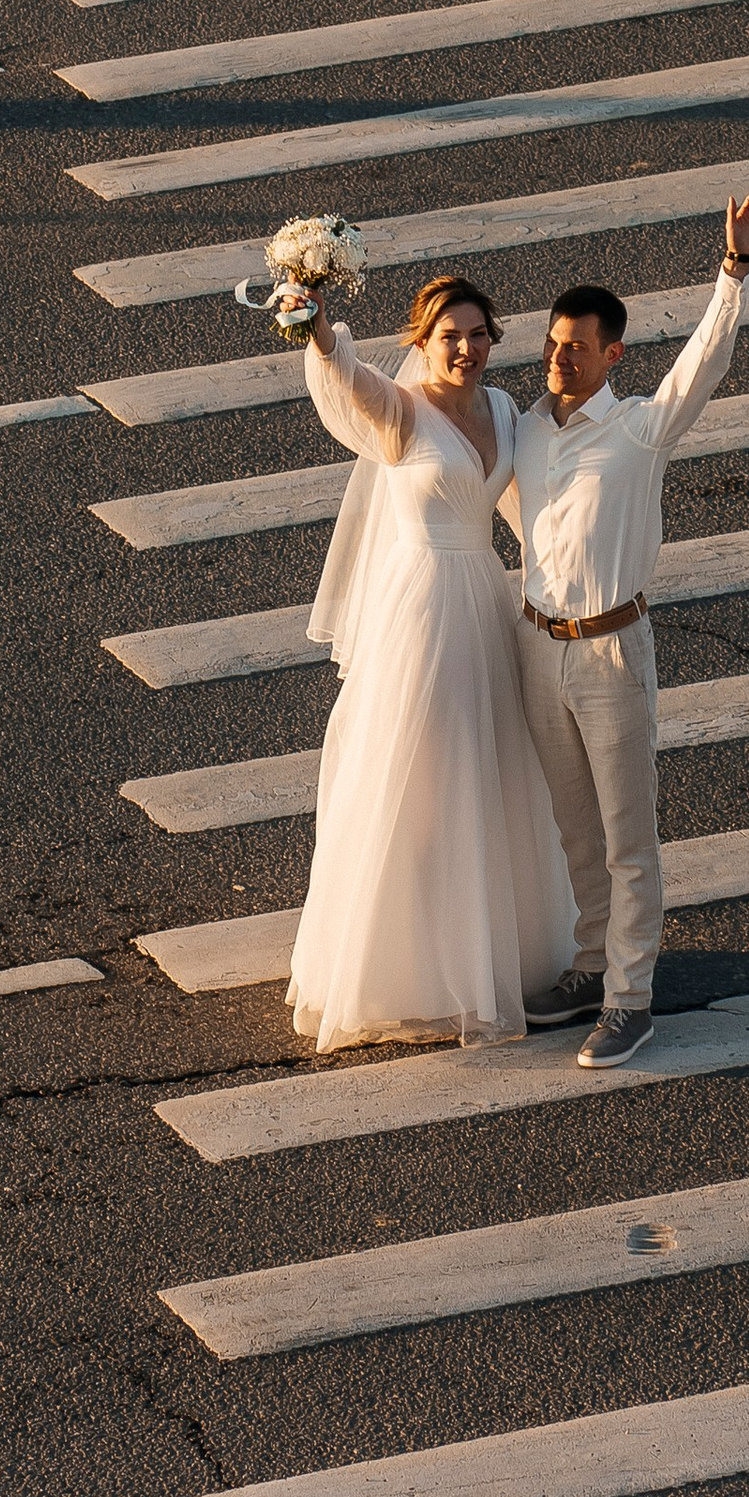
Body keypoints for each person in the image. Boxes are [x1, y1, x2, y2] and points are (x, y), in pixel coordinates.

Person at [501, 195, 749, 1069]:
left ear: (611, 355)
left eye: (575, 348)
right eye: (550, 344)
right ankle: (588, 968)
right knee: (573, 829)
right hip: (537, 648)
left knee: (627, 838)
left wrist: (733, 271)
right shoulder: (528, 430)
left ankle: (630, 1000)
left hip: (612, 652)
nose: (557, 358)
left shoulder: (640, 429)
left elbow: (705, 364)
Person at [279, 271, 576, 1055]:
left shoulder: (507, 409)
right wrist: (312, 324)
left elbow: (527, 501)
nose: (468, 349)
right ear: (423, 342)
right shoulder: (401, 412)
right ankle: (404, 959)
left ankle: (482, 953)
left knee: (492, 771)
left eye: (479, 335)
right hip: (421, 613)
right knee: (417, 777)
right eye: (452, 337)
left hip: (482, 597)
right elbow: (343, 377)